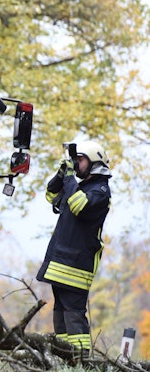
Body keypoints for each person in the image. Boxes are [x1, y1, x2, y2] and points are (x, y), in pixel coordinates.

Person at [36, 140, 112, 353]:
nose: (76, 164)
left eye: (80, 160)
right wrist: (62, 174)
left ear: (94, 162)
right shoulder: (80, 186)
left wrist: (70, 177)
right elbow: (51, 196)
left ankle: (82, 360)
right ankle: (64, 356)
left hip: (77, 265)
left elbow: (79, 206)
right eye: (75, 160)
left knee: (73, 314)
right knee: (60, 312)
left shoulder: (100, 190)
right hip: (62, 262)